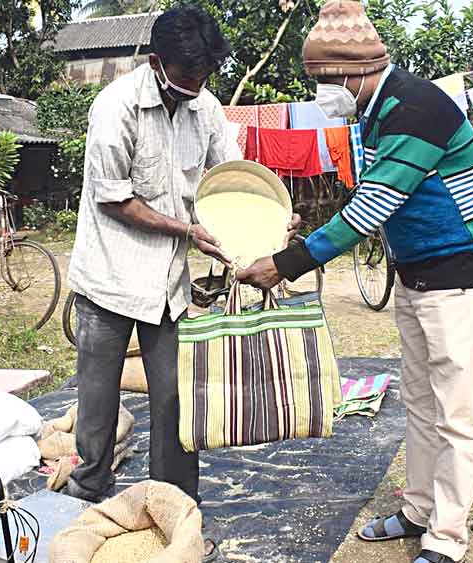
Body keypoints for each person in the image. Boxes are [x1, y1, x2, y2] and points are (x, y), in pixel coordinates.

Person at [236, 2, 473, 563]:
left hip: (460, 275)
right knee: (418, 398)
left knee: (455, 411)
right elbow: (372, 198)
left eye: (322, 82)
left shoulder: (414, 109)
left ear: (352, 72)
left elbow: (372, 207)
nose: (319, 95)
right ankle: (417, 510)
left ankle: (447, 538)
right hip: (418, 273)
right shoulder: (374, 110)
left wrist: (285, 262)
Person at [65, 6, 300, 546]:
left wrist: (269, 220)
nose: (196, 90)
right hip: (109, 276)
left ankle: (175, 507)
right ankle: (88, 488)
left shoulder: (206, 108)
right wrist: (187, 230)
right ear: (156, 63)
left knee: (176, 398)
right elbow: (116, 199)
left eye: (204, 79)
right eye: (188, 79)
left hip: (167, 286)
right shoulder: (115, 108)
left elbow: (231, 180)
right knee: (97, 397)